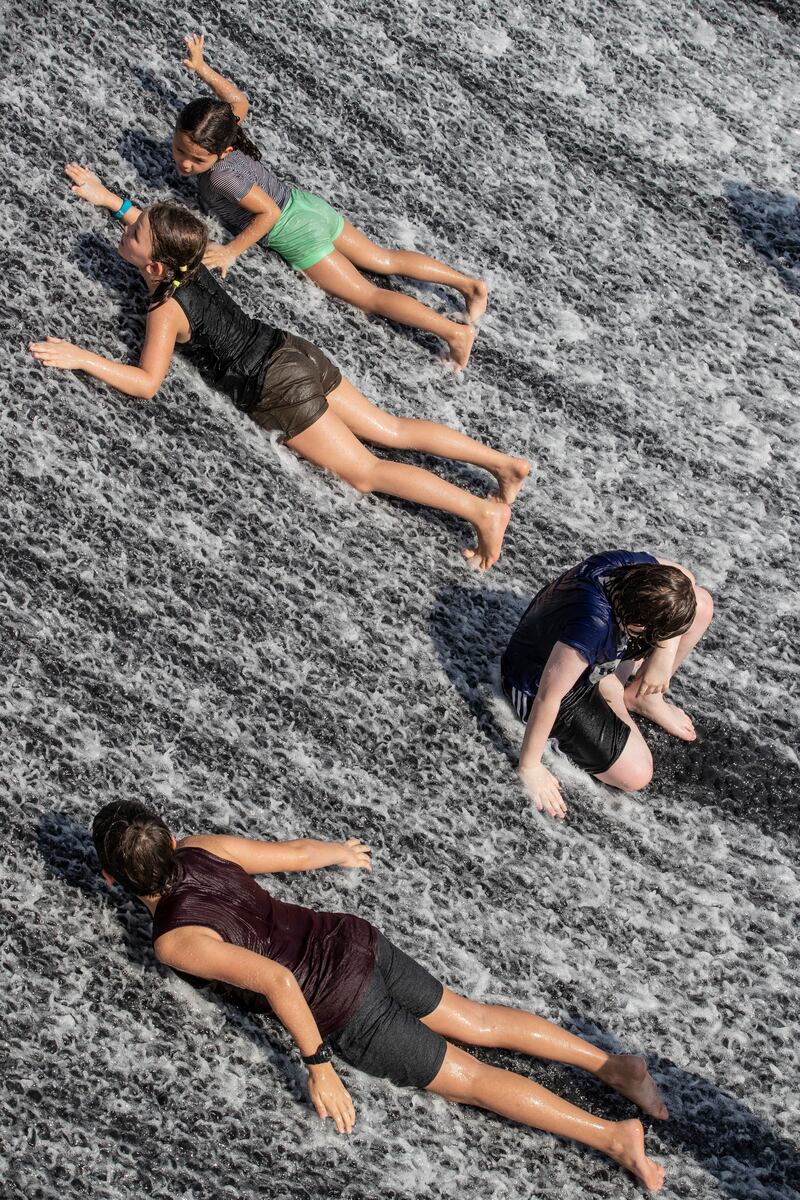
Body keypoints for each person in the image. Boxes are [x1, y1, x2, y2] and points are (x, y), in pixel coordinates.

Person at [92, 800, 668, 1191]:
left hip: (341, 1004)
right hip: (352, 938)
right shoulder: (200, 847)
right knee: (474, 1019)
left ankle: (613, 1137)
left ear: (112, 879)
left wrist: (319, 1067)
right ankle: (611, 1065)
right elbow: (291, 855)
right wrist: (339, 851)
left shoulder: (175, 940)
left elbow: (277, 980)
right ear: (170, 840)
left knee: (470, 1079)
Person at [29, 165, 530, 571]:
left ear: (156, 266)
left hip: (273, 389)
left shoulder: (164, 308)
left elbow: (146, 382)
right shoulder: (189, 257)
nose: (130, 228)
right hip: (290, 350)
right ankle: (503, 464)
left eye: (134, 230)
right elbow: (159, 232)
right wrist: (110, 200)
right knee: (391, 429)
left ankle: (483, 510)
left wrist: (82, 358)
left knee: (366, 471)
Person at [171, 33, 487, 368]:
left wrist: (231, 251)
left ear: (224, 150)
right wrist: (203, 69)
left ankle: (454, 333)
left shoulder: (221, 175)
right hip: (308, 207)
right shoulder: (223, 130)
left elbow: (269, 212)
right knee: (385, 259)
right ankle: (468, 285)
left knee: (370, 297)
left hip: (294, 233)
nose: (185, 163)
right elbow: (239, 102)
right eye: (179, 149)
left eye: (196, 159)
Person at [501, 551, 714, 818]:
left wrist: (664, 654)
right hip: (539, 685)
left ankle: (641, 696)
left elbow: (685, 578)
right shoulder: (592, 626)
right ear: (638, 625)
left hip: (592, 651)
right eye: (659, 635)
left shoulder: (627, 570)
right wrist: (530, 767)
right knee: (637, 774)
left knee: (699, 603)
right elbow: (548, 696)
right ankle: (612, 691)